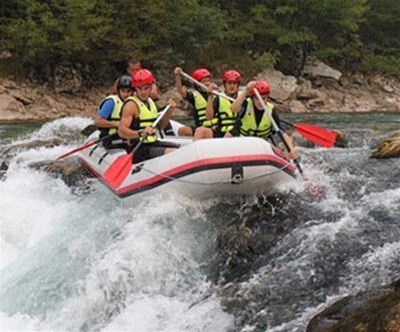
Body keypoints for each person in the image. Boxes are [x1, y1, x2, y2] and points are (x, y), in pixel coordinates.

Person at [118, 69, 177, 163]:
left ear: (151, 87)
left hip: (153, 143)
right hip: (138, 148)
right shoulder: (131, 105)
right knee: (173, 153)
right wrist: (140, 133)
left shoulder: (151, 102)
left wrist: (169, 110)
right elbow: (121, 131)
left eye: (146, 88)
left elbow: (161, 126)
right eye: (139, 88)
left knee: (180, 149)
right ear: (135, 88)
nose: (143, 92)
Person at [230, 80, 298, 160]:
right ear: (252, 99)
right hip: (243, 144)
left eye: (264, 98)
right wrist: (246, 90)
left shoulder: (271, 110)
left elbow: (281, 132)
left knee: (288, 143)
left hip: (261, 147)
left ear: (267, 98)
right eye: (257, 99)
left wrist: (291, 149)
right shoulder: (246, 105)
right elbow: (233, 109)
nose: (261, 102)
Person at [174, 67, 218, 139]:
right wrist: (177, 76)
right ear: (197, 84)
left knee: (202, 131)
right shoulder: (194, 96)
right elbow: (180, 90)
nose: (207, 83)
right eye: (204, 81)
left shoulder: (217, 95)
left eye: (208, 81)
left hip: (215, 127)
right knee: (182, 131)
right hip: (200, 128)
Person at [95, 75, 133, 149]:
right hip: (111, 138)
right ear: (119, 91)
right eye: (123, 91)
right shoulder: (111, 102)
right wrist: (116, 124)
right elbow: (98, 122)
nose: (126, 94)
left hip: (128, 136)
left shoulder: (134, 103)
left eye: (129, 91)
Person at [205, 70, 241, 138]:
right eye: (229, 83)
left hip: (238, 133)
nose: (232, 86)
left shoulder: (243, 97)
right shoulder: (219, 98)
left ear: (238, 85)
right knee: (200, 131)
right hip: (222, 132)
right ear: (224, 84)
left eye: (234, 83)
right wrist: (210, 96)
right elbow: (208, 117)